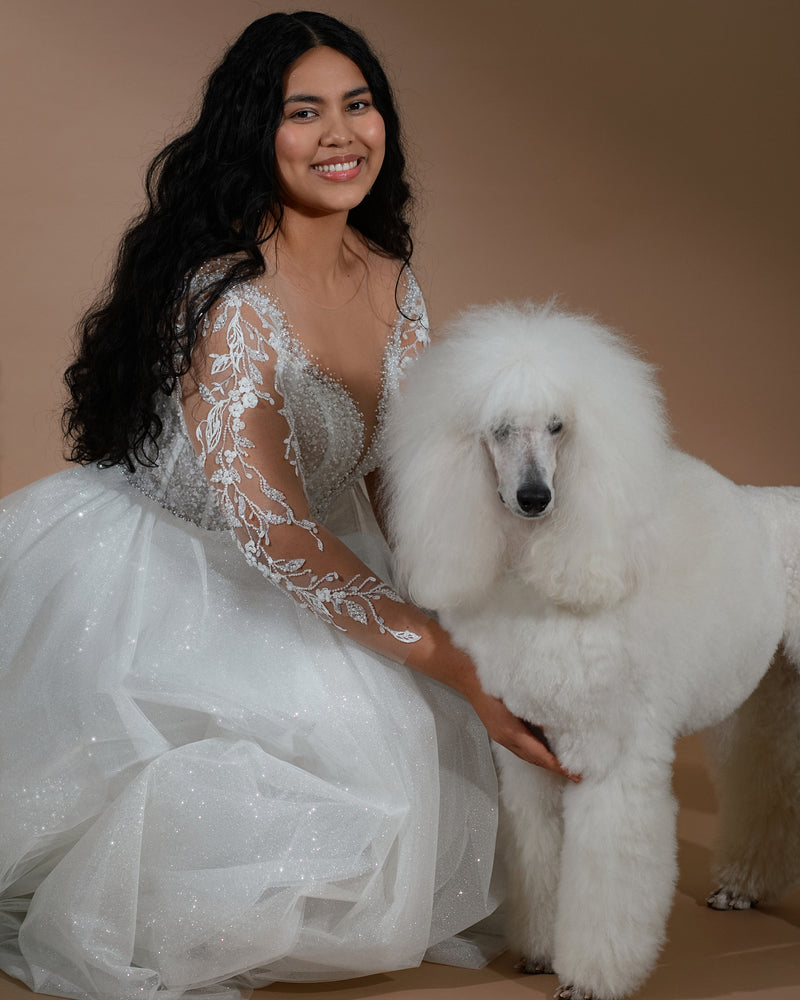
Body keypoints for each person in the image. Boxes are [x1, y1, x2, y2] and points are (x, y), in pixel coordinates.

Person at [0, 11, 568, 1000]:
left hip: (326, 561)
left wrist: (464, 617)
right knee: (327, 805)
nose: (340, 133)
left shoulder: (393, 282)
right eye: (303, 112)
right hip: (180, 582)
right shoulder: (225, 298)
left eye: (358, 105)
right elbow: (273, 530)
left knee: (443, 735)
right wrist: (448, 662)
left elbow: (399, 481)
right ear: (254, 133)